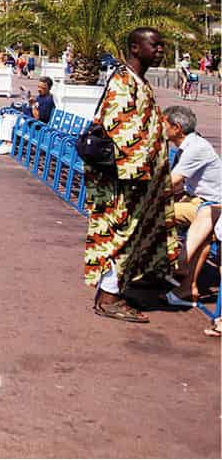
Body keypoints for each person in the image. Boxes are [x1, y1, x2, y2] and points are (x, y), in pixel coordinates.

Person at [85, 27, 179, 323]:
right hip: (126, 182)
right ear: (136, 48)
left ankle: (117, 289)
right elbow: (122, 132)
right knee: (118, 236)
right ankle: (109, 298)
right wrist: (140, 176)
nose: (162, 50)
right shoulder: (123, 82)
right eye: (156, 45)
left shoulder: (139, 82)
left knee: (131, 235)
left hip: (140, 182)